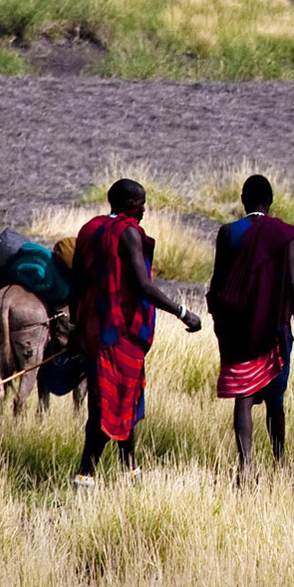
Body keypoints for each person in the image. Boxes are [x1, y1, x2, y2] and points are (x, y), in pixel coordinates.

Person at [71, 178, 201, 486]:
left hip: (93, 330)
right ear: (131, 205)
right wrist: (183, 313)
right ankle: (84, 476)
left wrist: (78, 324)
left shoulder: (90, 230)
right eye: (142, 204)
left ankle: (131, 472)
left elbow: (76, 281)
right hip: (119, 333)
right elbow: (143, 286)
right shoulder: (129, 232)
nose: (144, 210)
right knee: (108, 407)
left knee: (122, 402)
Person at [208, 174, 294, 480]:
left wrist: (219, 321)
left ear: (243, 200)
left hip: (237, 328)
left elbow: (217, 285)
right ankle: (280, 462)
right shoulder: (281, 233)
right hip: (274, 327)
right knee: (275, 399)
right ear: (271, 201)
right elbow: (293, 282)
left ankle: (246, 466)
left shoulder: (228, 233)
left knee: (244, 396)